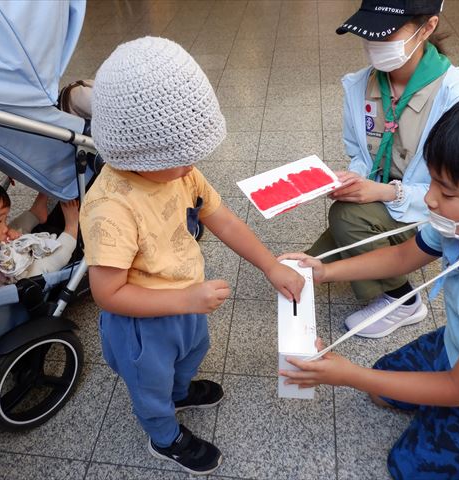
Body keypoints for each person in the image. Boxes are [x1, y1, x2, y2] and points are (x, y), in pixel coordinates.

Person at [80, 36, 304, 476]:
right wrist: (186, 299)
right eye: (180, 157)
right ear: (137, 152)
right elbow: (107, 293)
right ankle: (164, 436)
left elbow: (224, 221)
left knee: (193, 351)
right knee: (150, 385)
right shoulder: (111, 206)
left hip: (186, 301)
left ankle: (180, 392)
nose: (191, 165)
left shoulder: (178, 172)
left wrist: (270, 264)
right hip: (140, 325)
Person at [280, 85, 459, 479]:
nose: (431, 200)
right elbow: (402, 256)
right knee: (381, 387)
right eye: (433, 182)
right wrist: (324, 270)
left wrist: (347, 375)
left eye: (447, 191)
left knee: (405, 468)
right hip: (458, 341)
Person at [307, 0, 459, 337]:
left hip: (430, 208)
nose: (374, 46)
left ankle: (403, 300)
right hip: (384, 197)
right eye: (367, 35)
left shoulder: (458, 97)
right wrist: (354, 177)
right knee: (315, 261)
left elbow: (457, 192)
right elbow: (359, 152)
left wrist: (386, 191)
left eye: (384, 35)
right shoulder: (359, 85)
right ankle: (367, 256)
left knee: (346, 218)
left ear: (427, 28)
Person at [0, 173, 79, 291]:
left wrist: (11, 240)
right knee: (41, 268)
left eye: (5, 219)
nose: (5, 227)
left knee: (12, 230)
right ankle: (72, 230)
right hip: (13, 287)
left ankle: (35, 213)